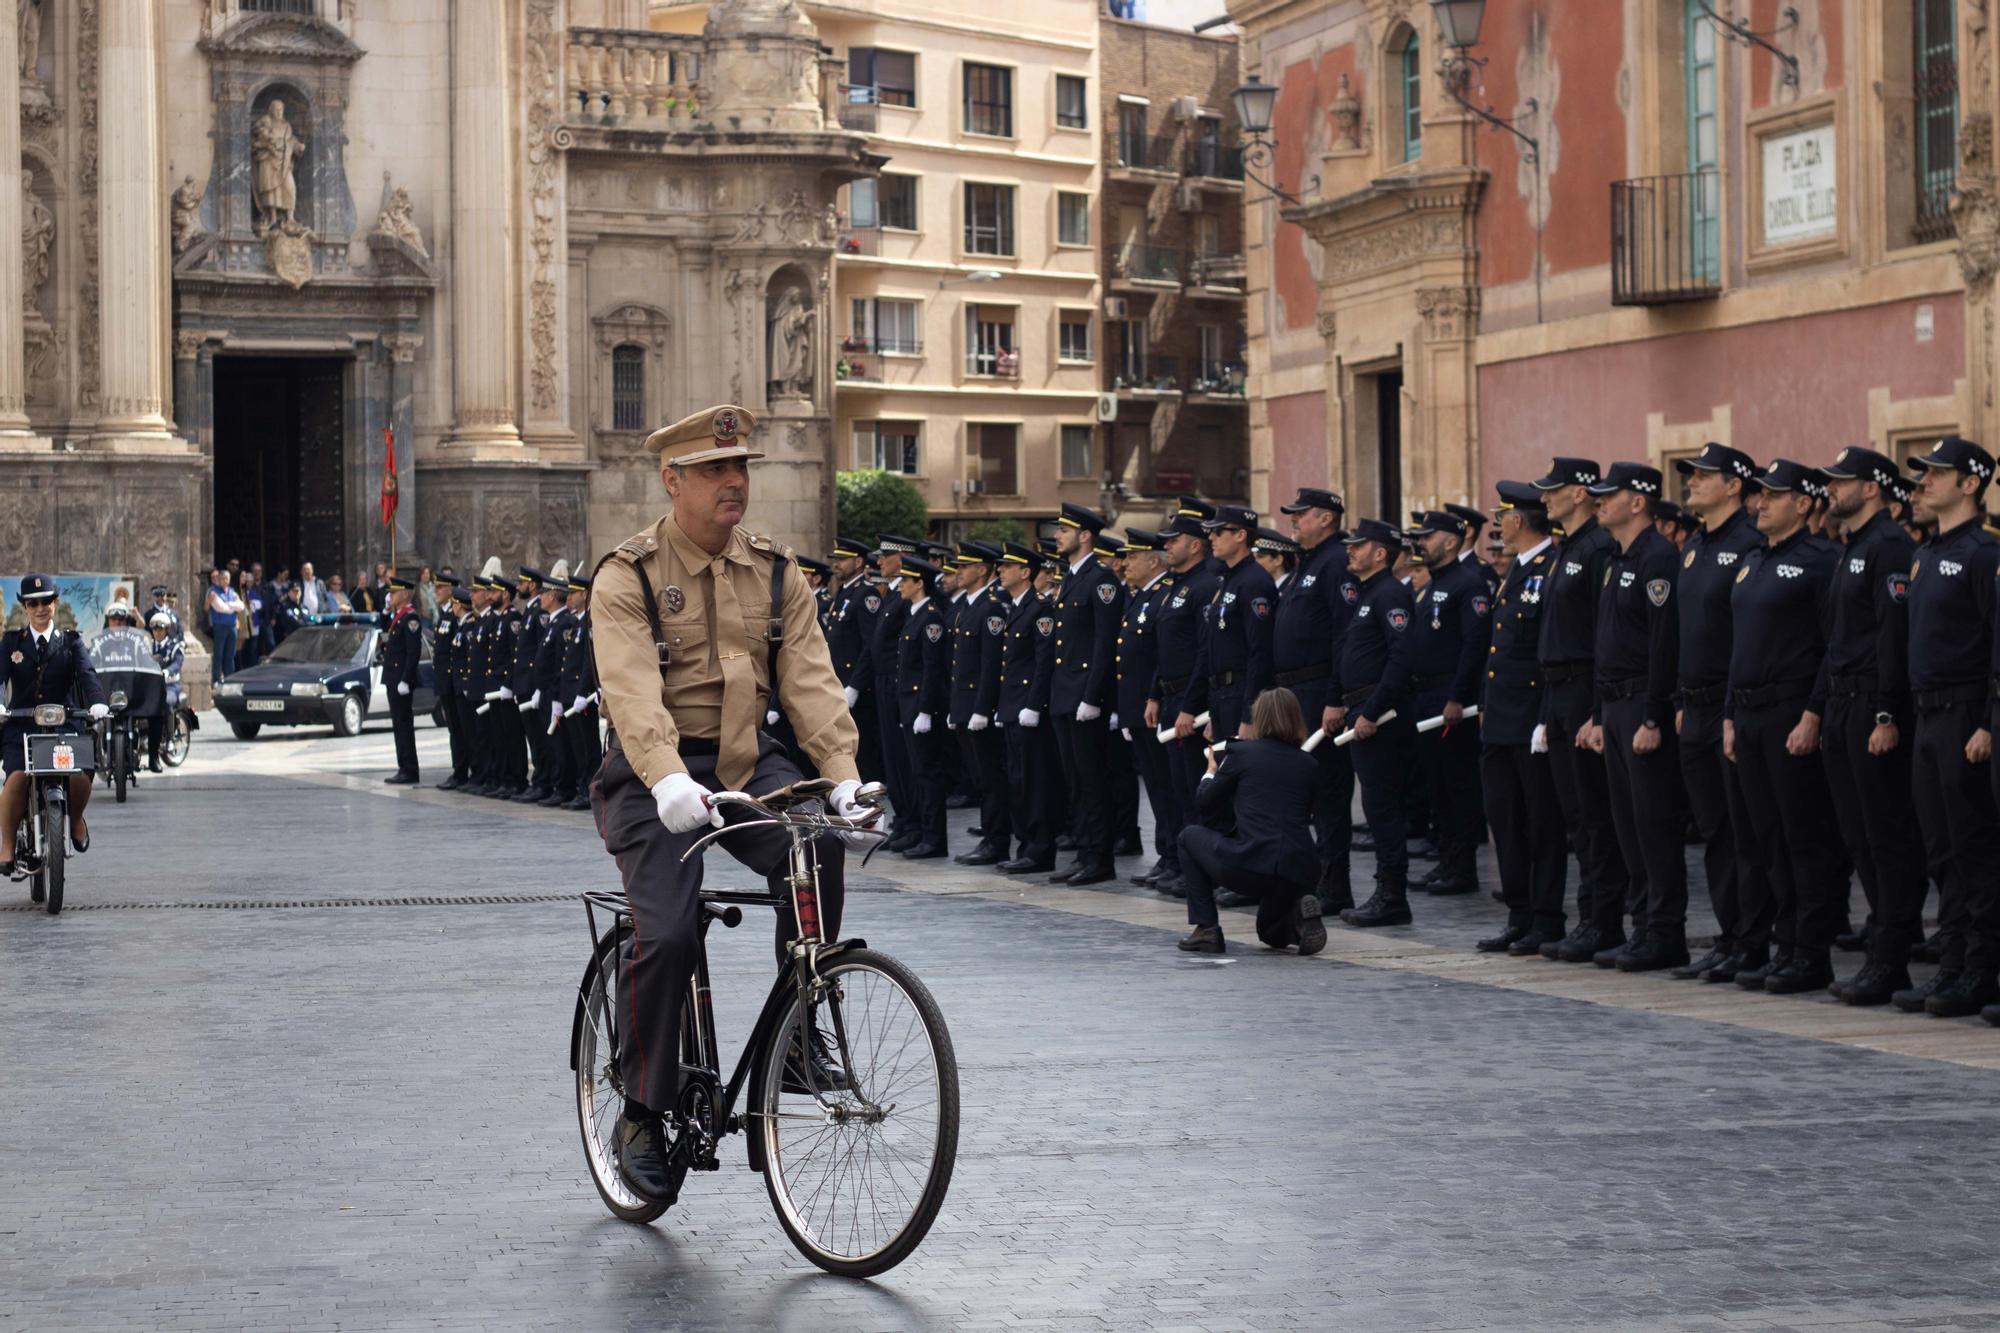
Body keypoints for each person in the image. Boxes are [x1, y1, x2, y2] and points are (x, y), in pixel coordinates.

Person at [587, 403, 869, 1206]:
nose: (734, 482)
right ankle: (641, 1111)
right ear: (672, 480)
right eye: (715, 471)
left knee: (816, 849)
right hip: (654, 776)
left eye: (740, 467)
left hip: (747, 758)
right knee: (669, 932)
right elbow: (632, 688)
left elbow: (810, 679)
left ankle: (799, 1033)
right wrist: (669, 777)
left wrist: (843, 773)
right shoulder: (628, 574)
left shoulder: (779, 570)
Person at [1723, 459, 1844, 993]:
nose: (1760, 502)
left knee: (1803, 837)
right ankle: (1784, 942)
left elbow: (1833, 644)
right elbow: (1738, 645)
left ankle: (1810, 951)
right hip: (1747, 714)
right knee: (1766, 837)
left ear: (1803, 503)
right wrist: (1728, 714)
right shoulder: (1752, 560)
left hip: (1789, 711)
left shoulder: (1822, 560)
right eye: (1759, 495)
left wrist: (1813, 712)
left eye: (1773, 495)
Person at [1814, 447, 1926, 1005]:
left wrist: (1885, 712)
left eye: (1842, 481)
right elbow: (1835, 639)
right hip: (1839, 704)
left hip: (1870, 708)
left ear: (1874, 488)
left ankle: (1891, 960)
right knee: (1858, 835)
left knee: (1887, 839)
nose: (1830, 489)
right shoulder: (1851, 546)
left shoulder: (1888, 547)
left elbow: (1891, 637)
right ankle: (1885, 943)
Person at [1896, 436, 2000, 1017]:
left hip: (1965, 714)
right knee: (1940, 849)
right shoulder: (1925, 555)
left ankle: (1979, 969)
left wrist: (1986, 721)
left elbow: (1995, 646)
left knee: (1973, 849)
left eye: (1937, 473)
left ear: (1970, 483)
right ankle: (1954, 962)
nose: (1924, 483)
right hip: (1928, 713)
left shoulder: (1985, 554)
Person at [1668, 442, 1773, 984]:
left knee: (1744, 833)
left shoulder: (1751, 545)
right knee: (1714, 832)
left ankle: (1754, 941)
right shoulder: (1694, 548)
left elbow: (1746, 640)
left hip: (1733, 705)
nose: (1693, 482)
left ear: (1735, 484)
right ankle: (1730, 936)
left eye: (1704, 475)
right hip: (1697, 708)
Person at [1583, 462, 1686, 971]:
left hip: (1644, 704)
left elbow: (1663, 645)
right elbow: (1609, 646)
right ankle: (1643, 925)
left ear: (1639, 501)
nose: (1599, 502)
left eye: (1609, 495)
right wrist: (1601, 713)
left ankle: (1665, 931)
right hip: (1616, 704)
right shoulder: (1615, 559)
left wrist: (1653, 717)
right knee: (1627, 824)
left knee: (1654, 824)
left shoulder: (1658, 558)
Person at [1531, 458, 1629, 963]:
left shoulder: (1595, 549)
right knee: (1576, 815)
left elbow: (1600, 637)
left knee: (1595, 815)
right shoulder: (1565, 547)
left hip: (1585, 691)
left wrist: (1594, 710)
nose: (1545, 498)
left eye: (1554, 490)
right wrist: (1549, 712)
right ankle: (1591, 917)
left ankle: (1602, 920)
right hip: (1560, 692)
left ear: (1581, 493)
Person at [1473, 482, 1568, 955]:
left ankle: (1547, 918)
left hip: (1532, 717)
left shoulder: (1552, 567)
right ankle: (1520, 912)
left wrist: (1545, 718)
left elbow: (1548, 652)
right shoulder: (1517, 570)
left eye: (1502, 517)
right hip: (1501, 718)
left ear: (1518, 521)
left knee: (1541, 823)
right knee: (1506, 821)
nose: (1498, 526)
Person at [1175, 687, 1326, 956]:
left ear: (1260, 718)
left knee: (1188, 837)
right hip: (1300, 868)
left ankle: (1206, 929)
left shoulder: (1242, 754)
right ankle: (1300, 920)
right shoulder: (1309, 764)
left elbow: (1205, 804)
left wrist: (1211, 771)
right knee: (1269, 933)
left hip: (1252, 862)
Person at [1274, 486, 1358, 913]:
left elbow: (1344, 634)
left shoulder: (1336, 562)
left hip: (1317, 690)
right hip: (1293, 694)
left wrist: (1335, 696)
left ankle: (1334, 883)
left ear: (1326, 518)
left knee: (1327, 793)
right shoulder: (1309, 562)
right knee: (1299, 792)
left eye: (1301, 514)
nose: (1294, 520)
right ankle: (1307, 875)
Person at [1331, 517, 1418, 927]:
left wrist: (1371, 710)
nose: (1350, 550)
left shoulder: (1389, 594)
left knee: (1383, 809)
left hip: (1381, 716)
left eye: (1359, 545)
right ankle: (1386, 891)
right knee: (1374, 803)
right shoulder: (1368, 594)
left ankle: (1391, 895)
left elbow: (1401, 657)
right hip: (1362, 710)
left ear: (1380, 553)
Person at [1403, 510, 1491, 897]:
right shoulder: (1431, 586)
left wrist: (1459, 696)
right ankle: (1445, 859)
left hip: (1450, 699)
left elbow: (1474, 646)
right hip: (1425, 697)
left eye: (1428, 537)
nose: (1421, 543)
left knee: (1457, 784)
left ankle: (1462, 867)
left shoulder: (1467, 584)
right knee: (1435, 785)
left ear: (1451, 542)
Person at [0, 574, 108, 877]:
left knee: (79, 774)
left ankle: (75, 819)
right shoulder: (11, 642)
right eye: (33, 603)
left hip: (63, 726)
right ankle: (7, 846)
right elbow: (0, 678)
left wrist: (97, 701)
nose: (40, 608)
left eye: (45, 601)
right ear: (24, 606)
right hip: (21, 726)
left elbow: (87, 675)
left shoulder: (70, 642)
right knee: (17, 777)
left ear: (54, 602)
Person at [1048, 502, 1121, 887]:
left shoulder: (1101, 579)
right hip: (1066, 695)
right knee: (1075, 782)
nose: (1058, 536)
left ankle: (1099, 859)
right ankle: (1084, 853)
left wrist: (1092, 697)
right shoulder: (1073, 578)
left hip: (1085, 699)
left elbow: (1104, 644)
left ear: (1085, 535)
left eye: (1064, 530)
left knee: (1092, 781)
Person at [1114, 529, 1178, 888]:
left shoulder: (1163, 595)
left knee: (1165, 785)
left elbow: (1158, 657)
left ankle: (1174, 857)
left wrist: (1149, 699)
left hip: (1154, 706)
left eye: (1133, 558)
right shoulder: (1141, 597)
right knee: (1154, 784)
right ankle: (1166, 855)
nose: (1126, 565)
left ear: (1153, 560)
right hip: (1137, 708)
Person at [1185, 505, 1275, 743]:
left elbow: (1260, 651)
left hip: (1240, 692)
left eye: (1218, 532)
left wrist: (1249, 715)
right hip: (1221, 695)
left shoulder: (1254, 581)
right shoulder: (1229, 579)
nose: (1211, 538)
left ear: (1240, 535)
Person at [995, 541, 1059, 874]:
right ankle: (1025, 844)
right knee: (1018, 779)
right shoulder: (1019, 606)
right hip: (1013, 708)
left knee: (1034, 781)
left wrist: (1034, 705)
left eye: (1007, 567)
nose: (1000, 571)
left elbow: (1043, 662)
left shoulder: (1039, 608)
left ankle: (1039, 848)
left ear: (1025, 572)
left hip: (1027, 709)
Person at [894, 556, 951, 858]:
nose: (900, 584)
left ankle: (934, 839)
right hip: (909, 706)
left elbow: (932, 669)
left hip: (921, 708)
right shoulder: (914, 614)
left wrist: (926, 710)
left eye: (906, 580)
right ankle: (926, 833)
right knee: (919, 773)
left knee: (929, 774)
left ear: (919, 584)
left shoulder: (930, 618)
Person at [871, 535, 920, 850]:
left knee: (906, 759)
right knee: (893, 759)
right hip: (885, 683)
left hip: (899, 684)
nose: (879, 563)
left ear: (901, 557)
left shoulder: (907, 595)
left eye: (884, 557)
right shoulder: (894, 595)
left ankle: (914, 822)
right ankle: (903, 819)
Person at [380, 576, 423, 785]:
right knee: (398, 724)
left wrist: (406, 679)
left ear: (405, 594)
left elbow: (413, 653)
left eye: (395, 592)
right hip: (393, 678)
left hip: (400, 681)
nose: (391, 595)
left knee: (403, 724)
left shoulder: (410, 618)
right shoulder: (398, 616)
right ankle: (403, 766)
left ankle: (409, 769)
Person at [432, 573, 471, 791]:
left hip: (454, 680)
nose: (436, 591)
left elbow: (457, 652)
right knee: (454, 730)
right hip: (446, 681)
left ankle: (462, 771)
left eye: (440, 587)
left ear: (451, 590)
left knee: (460, 729)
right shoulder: (445, 614)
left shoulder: (456, 617)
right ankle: (459, 770)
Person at [146, 611, 184, 772]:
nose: (157, 632)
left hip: (170, 685)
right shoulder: (146, 646)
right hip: (150, 686)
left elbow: (178, 662)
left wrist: (168, 671)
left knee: (167, 702)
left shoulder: (175, 646)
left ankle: (169, 738)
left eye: (161, 629)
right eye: (154, 629)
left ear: (167, 629)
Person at [206, 567, 244, 683]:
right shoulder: (213, 591)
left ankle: (229, 679)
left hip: (232, 627)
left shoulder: (232, 592)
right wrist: (233, 606)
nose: (224, 581)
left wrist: (229, 604)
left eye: (226, 579)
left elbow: (241, 607)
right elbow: (221, 608)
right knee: (219, 654)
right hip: (220, 626)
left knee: (230, 655)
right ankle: (216, 679)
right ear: (219, 579)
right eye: (222, 579)